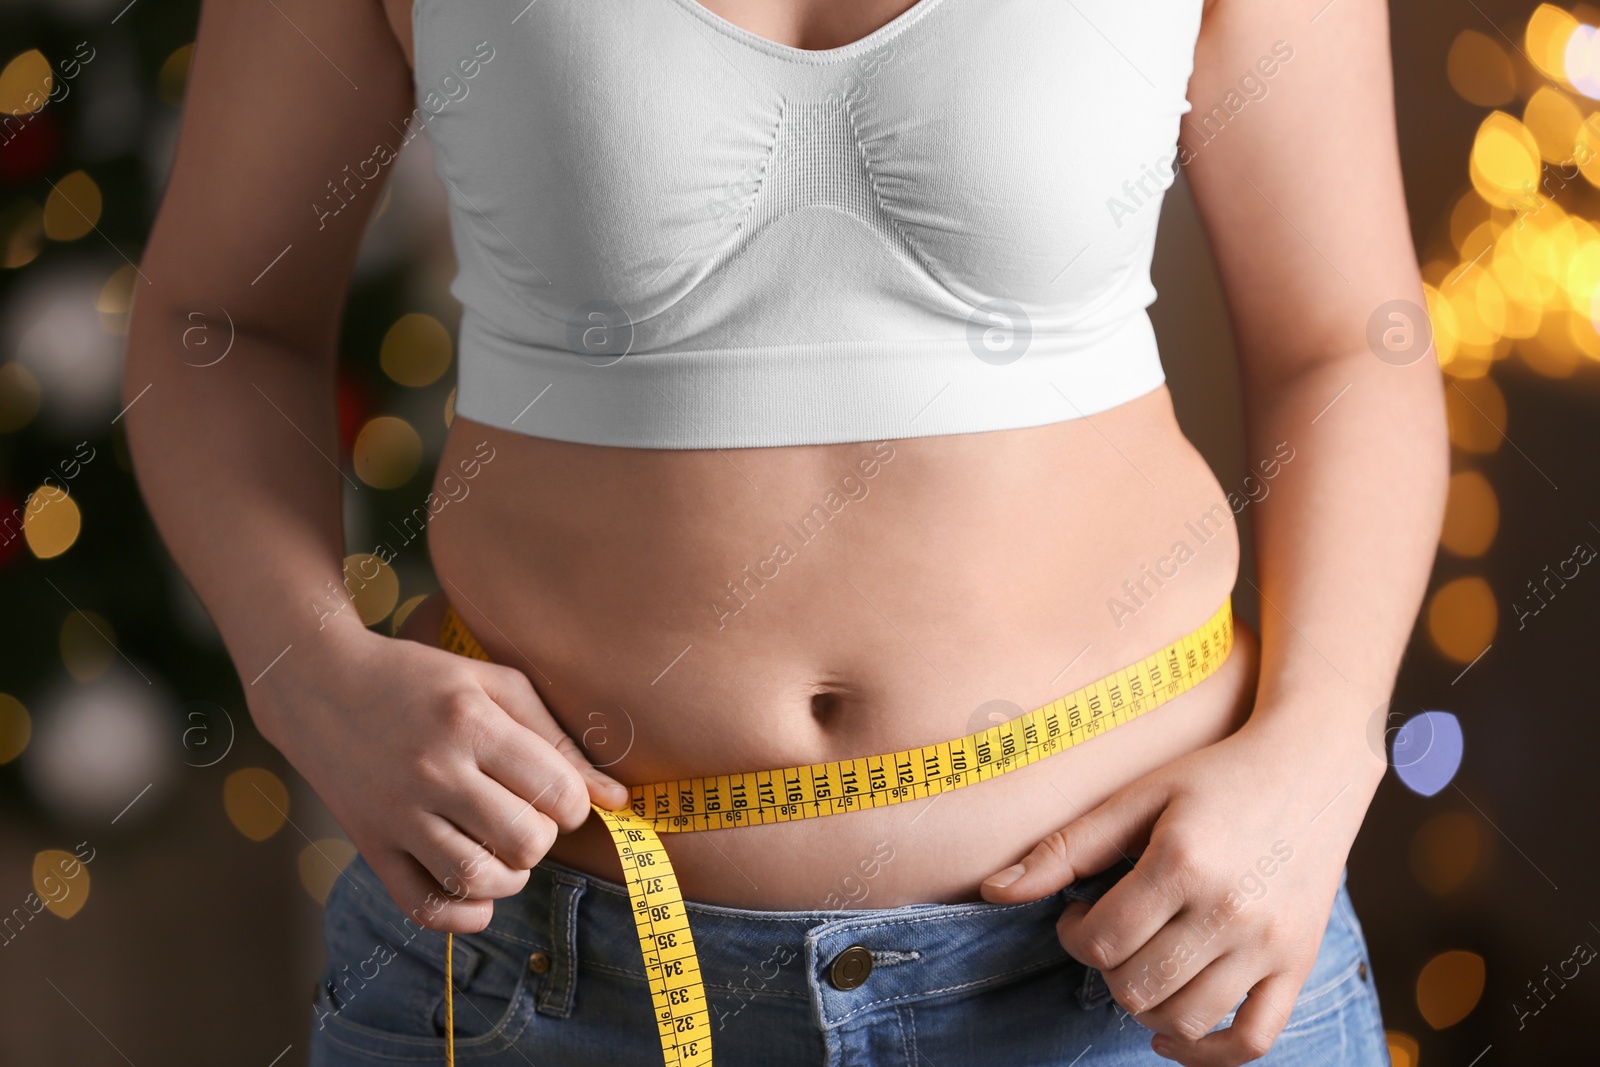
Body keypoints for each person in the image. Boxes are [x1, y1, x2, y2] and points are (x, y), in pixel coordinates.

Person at [122, 0, 1446, 1063]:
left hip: (1149, 959)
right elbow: (218, 324)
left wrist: (1322, 756)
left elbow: (1351, 342)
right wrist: (306, 678)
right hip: (545, 975)